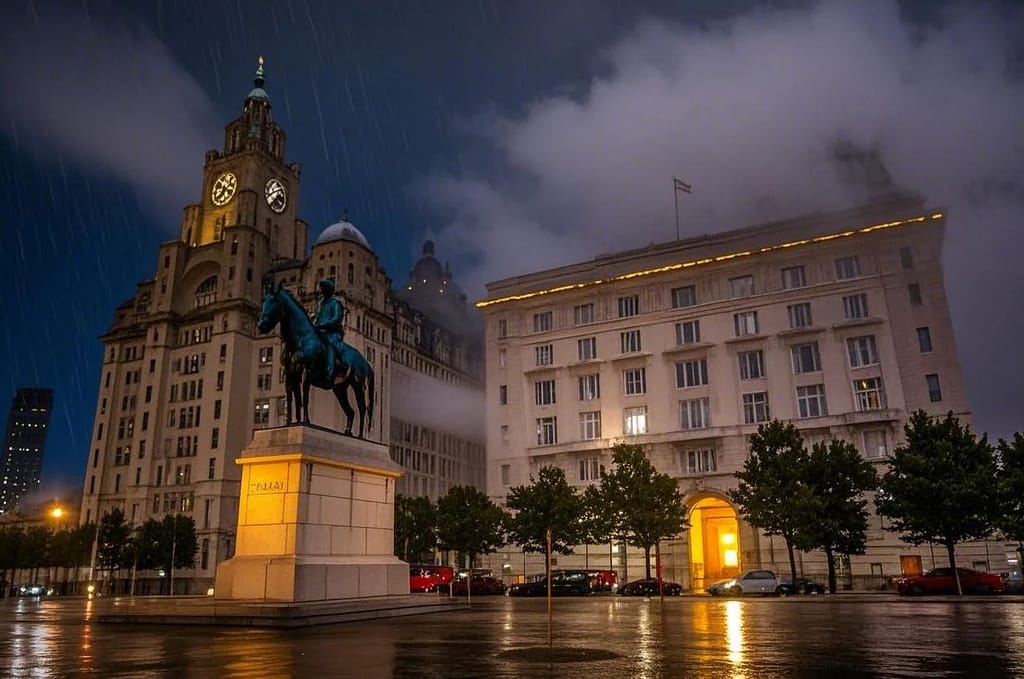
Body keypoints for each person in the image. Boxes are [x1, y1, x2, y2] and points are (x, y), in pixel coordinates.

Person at [313, 278, 346, 381]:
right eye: (321, 288)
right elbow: (317, 316)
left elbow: (337, 319)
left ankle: (330, 372)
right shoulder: (320, 303)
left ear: (329, 290)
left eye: (323, 288)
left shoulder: (336, 303)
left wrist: (323, 325)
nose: (321, 291)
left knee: (330, 345)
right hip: (319, 331)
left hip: (333, 332)